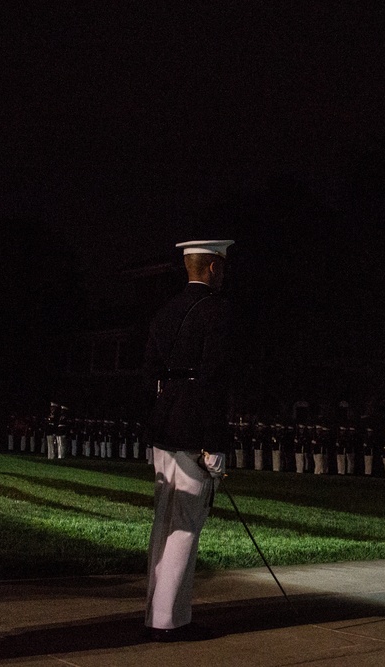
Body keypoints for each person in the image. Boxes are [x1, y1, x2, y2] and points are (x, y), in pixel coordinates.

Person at [143, 239, 234, 641]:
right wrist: (216, 443)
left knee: (164, 523)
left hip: (164, 424)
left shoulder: (164, 311)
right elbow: (215, 381)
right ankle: (170, 621)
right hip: (194, 425)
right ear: (213, 266)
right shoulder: (217, 311)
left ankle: (155, 614)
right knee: (185, 526)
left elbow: (149, 375)